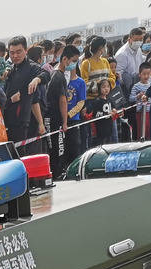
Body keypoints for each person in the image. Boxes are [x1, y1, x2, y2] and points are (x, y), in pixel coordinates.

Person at [2, 36, 50, 149]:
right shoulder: (11, 70)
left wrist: (37, 79)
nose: (15, 56)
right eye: (12, 53)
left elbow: (45, 74)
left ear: (26, 50)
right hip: (11, 124)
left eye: (19, 52)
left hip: (28, 124)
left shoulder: (31, 67)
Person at [47, 46, 83, 178]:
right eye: (73, 61)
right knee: (58, 148)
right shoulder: (59, 76)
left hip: (50, 118)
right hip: (55, 119)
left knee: (55, 147)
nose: (74, 64)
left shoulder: (54, 73)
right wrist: (65, 122)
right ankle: (57, 173)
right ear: (65, 59)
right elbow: (63, 101)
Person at [116, 27, 148, 98]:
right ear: (129, 39)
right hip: (127, 88)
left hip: (139, 83)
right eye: (136, 40)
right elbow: (118, 75)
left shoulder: (138, 49)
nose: (138, 42)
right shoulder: (122, 54)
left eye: (140, 40)